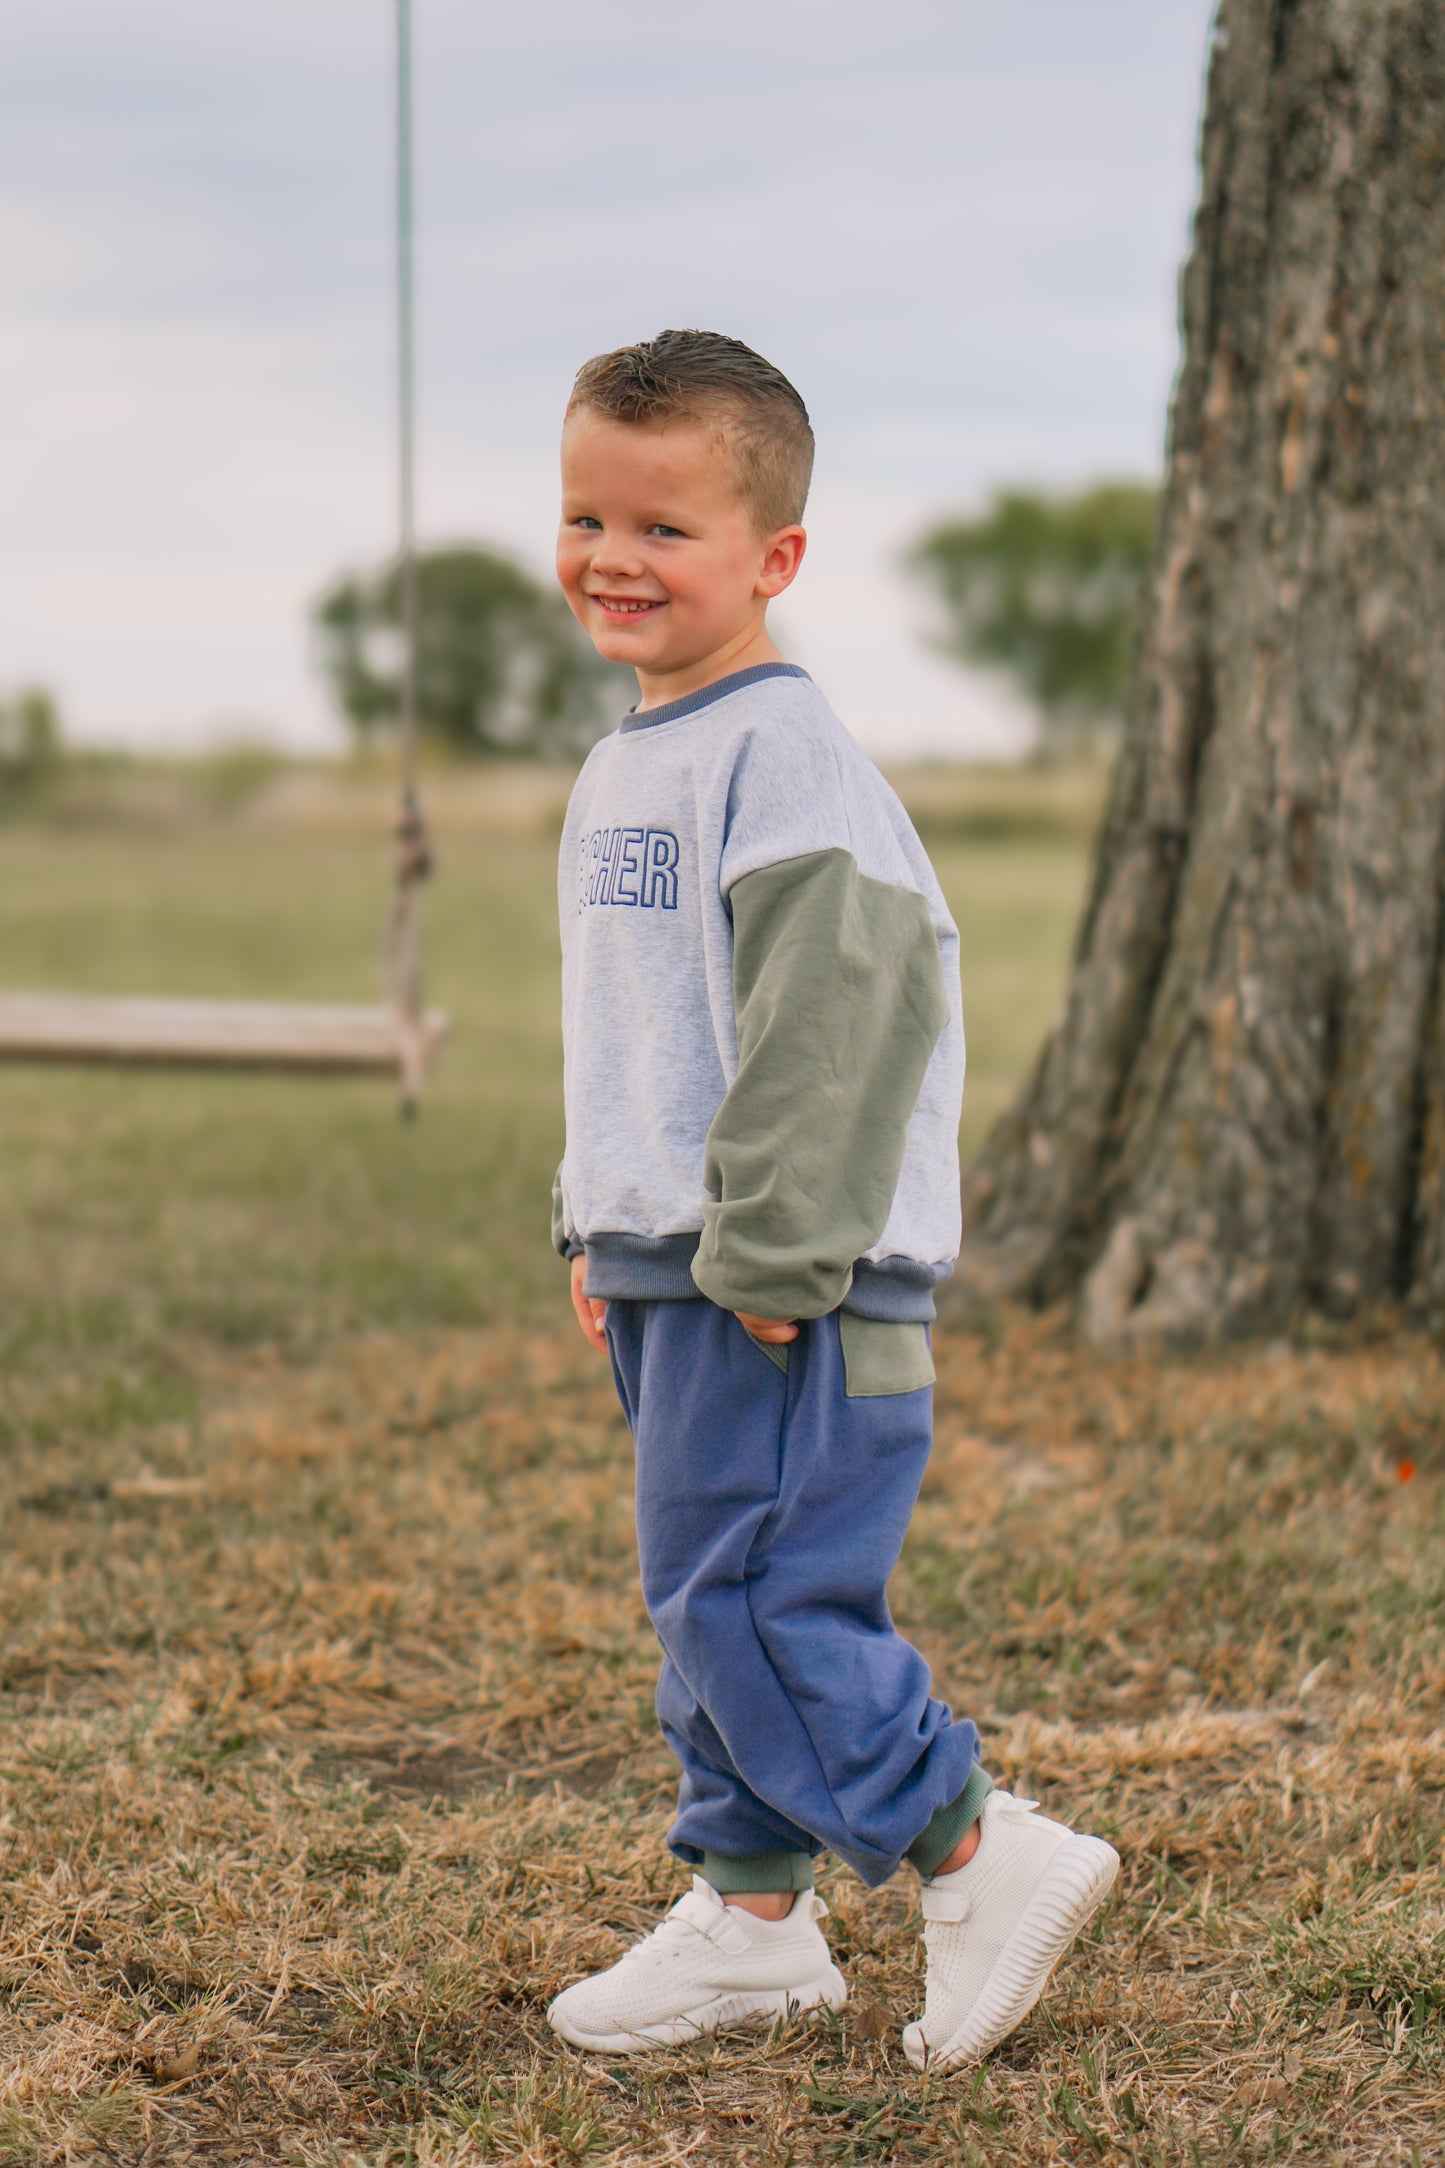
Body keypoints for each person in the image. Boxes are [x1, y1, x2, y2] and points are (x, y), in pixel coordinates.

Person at [545, 329, 1118, 2071]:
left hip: (782, 1275)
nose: (611, 558)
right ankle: (752, 1921)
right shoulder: (629, 756)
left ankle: (973, 1849)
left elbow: (838, 1020)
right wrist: (596, 1221)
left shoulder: (782, 758)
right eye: (584, 514)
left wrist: (772, 1249)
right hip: (680, 1267)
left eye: (664, 528)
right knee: (700, 1591)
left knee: (758, 1600)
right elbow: (640, 1029)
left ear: (773, 556)